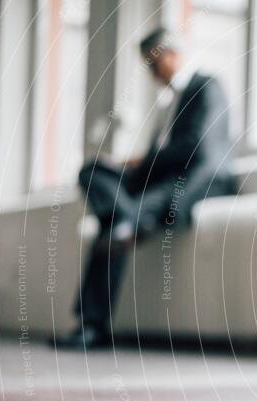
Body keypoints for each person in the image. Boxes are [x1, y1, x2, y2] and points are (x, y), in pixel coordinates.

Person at [55, 27, 233, 349]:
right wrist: (132, 164)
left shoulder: (206, 87)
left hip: (184, 182)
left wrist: (145, 163)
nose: (151, 74)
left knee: (115, 230)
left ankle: (91, 327)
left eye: (152, 65)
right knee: (91, 170)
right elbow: (164, 150)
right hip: (154, 180)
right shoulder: (168, 104)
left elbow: (197, 148)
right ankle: (123, 215)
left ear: (171, 55)